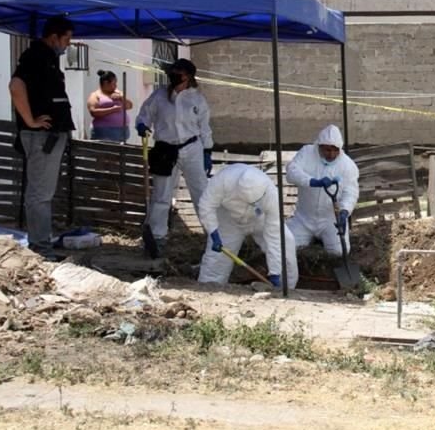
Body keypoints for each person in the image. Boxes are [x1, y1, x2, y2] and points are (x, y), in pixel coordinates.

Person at [8, 16, 77, 260]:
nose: (68, 44)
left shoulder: (47, 59)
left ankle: (41, 245)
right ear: (53, 37)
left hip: (50, 135)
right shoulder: (35, 57)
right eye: (66, 38)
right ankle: (41, 249)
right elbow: (16, 86)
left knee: (42, 193)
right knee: (40, 195)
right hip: (41, 137)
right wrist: (30, 120)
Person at [135, 58, 213, 256]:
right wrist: (142, 125)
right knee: (161, 195)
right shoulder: (159, 96)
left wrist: (207, 150)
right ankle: (157, 238)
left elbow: (204, 127)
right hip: (165, 150)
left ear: (187, 76)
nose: (174, 74)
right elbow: (144, 114)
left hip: (192, 148)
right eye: (173, 71)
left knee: (201, 194)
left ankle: (213, 237)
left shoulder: (197, 99)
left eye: (179, 71)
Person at [198, 164, 298, 289]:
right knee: (217, 260)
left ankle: (286, 288)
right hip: (228, 220)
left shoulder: (272, 195)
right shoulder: (223, 180)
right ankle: (208, 291)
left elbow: (274, 235)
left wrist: (275, 271)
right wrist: (213, 231)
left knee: (286, 244)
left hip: (259, 219)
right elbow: (206, 206)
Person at [286, 125, 360, 256]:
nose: (331, 154)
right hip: (303, 218)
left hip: (330, 219)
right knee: (288, 247)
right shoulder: (307, 153)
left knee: (339, 252)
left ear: (340, 149)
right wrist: (312, 181)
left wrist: (344, 211)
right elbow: (292, 172)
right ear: (319, 146)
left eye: (335, 150)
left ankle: (325, 241)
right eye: (327, 150)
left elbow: (351, 192)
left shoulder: (347, 166)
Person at [88, 70, 133, 142]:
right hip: (105, 131)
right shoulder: (95, 95)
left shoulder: (118, 93)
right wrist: (112, 109)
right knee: (107, 151)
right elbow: (93, 112)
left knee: (120, 151)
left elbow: (130, 106)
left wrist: (121, 97)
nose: (116, 86)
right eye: (114, 83)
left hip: (122, 130)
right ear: (106, 83)